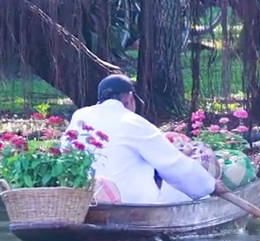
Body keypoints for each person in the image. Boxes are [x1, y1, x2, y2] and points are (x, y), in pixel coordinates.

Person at [66, 75, 217, 205]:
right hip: (130, 204)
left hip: (84, 201)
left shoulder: (80, 115)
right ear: (129, 98)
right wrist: (211, 186)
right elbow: (174, 165)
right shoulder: (134, 122)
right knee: (183, 188)